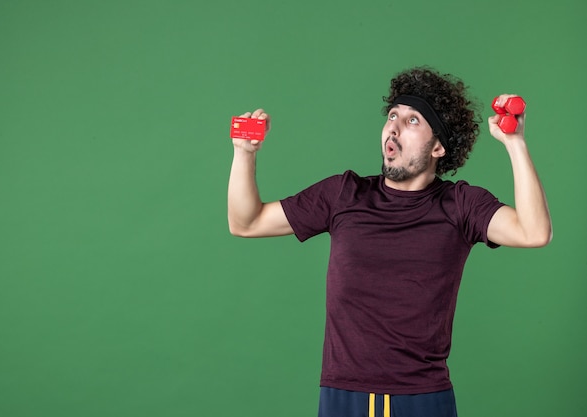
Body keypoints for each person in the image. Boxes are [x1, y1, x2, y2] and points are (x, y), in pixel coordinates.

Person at [227, 66, 552, 417]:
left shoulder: (460, 204)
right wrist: (244, 154)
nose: (393, 127)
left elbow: (533, 232)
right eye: (393, 115)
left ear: (438, 146)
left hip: (423, 397)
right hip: (343, 394)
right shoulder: (344, 194)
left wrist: (515, 144)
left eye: (413, 121)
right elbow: (246, 222)